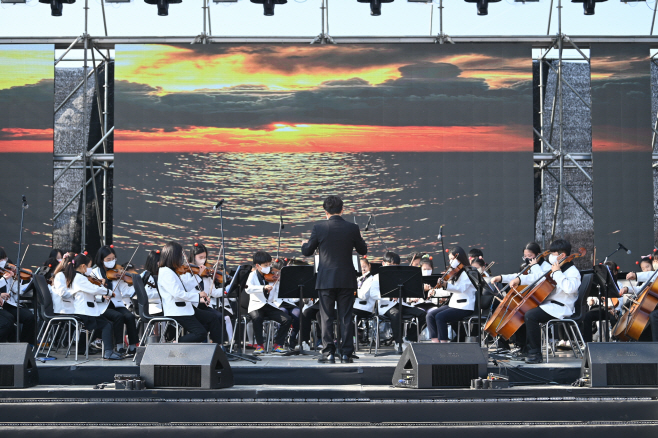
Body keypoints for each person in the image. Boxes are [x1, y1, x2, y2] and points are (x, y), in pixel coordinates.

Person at [301, 195, 368, 364]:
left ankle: (328, 353)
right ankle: (346, 353)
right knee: (346, 317)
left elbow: (307, 251)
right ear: (342, 209)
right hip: (346, 279)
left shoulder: (319, 227)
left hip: (326, 280)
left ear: (325, 211)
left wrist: (304, 244)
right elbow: (362, 249)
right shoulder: (352, 228)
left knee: (326, 317)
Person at [522, 239, 581, 364]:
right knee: (524, 311)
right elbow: (541, 280)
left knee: (531, 316)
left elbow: (569, 288)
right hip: (550, 305)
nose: (550, 256)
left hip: (561, 307)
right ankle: (524, 349)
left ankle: (535, 353)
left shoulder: (572, 271)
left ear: (562, 255)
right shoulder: (557, 268)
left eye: (553, 253)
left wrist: (557, 273)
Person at [158, 241, 223, 343]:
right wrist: (198, 296)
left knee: (213, 317)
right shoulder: (166, 272)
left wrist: (198, 276)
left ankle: (219, 348)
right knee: (200, 333)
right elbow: (177, 294)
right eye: (180, 255)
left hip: (185, 308)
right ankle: (174, 344)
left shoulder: (171, 271)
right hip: (177, 311)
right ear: (173, 256)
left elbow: (185, 288)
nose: (182, 258)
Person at [66, 253, 123, 360]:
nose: (90, 269)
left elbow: (92, 288)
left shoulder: (78, 277)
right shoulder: (79, 278)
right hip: (85, 312)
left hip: (87, 310)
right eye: (89, 266)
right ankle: (108, 352)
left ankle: (107, 351)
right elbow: (94, 289)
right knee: (107, 325)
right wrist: (108, 292)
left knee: (106, 324)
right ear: (83, 266)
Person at [373, 251, 426, 351]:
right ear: (383, 263)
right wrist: (389, 297)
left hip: (401, 304)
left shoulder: (400, 277)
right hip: (386, 306)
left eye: (395, 266)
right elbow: (373, 293)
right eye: (389, 265)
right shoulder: (377, 277)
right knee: (396, 314)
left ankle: (409, 338)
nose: (392, 268)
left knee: (423, 314)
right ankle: (398, 342)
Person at [182, 242, 233, 344]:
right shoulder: (186, 272)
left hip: (204, 306)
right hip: (192, 305)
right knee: (208, 322)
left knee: (219, 316)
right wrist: (198, 275)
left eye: (205, 257)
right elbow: (185, 290)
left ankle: (219, 345)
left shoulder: (207, 273)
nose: (203, 260)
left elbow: (213, 292)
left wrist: (226, 290)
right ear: (193, 256)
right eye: (200, 257)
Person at [93, 246, 139, 357]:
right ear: (101, 260)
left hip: (117, 304)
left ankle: (133, 347)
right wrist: (102, 297)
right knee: (118, 316)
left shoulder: (117, 272)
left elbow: (125, 291)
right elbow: (91, 293)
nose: (112, 261)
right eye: (108, 259)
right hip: (102, 306)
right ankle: (119, 347)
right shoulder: (95, 273)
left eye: (113, 258)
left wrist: (136, 285)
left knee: (130, 316)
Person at [425, 247, 476, 343]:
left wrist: (445, 284)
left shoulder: (468, 272)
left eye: (453, 259)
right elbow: (449, 291)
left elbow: (460, 289)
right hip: (454, 305)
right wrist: (435, 292)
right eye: (450, 260)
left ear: (460, 258)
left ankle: (444, 344)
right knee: (430, 315)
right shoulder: (455, 273)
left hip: (464, 307)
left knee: (440, 317)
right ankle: (435, 342)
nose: (451, 262)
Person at [245, 251, 292, 354]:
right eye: (266, 265)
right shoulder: (252, 275)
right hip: (256, 305)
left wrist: (279, 282)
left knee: (287, 319)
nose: (269, 267)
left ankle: (278, 344)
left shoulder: (272, 275)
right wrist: (263, 287)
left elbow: (278, 292)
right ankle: (260, 345)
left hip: (269, 305)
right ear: (258, 266)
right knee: (257, 318)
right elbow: (248, 289)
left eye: (269, 264)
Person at [582, 261, 624, 343]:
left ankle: (616, 340)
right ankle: (587, 342)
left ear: (615, 272)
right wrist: (591, 301)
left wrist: (615, 309)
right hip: (602, 309)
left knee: (613, 318)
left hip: (613, 310)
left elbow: (620, 301)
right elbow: (591, 298)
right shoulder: (599, 284)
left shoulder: (619, 284)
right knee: (587, 316)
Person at [0, 247, 35, 344]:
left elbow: (17, 290)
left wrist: (18, 279)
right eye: (1, 259)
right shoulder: (4, 276)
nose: (4, 261)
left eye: (4, 259)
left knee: (29, 317)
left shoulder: (8, 272)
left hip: (9, 304)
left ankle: (27, 345)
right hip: (1, 306)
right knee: (8, 320)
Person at [626, 255, 658, 341]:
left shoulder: (654, 274)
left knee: (653, 315)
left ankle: (656, 346)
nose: (656, 263)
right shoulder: (652, 277)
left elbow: (654, 274)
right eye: (655, 261)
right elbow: (640, 288)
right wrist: (627, 289)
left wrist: (636, 275)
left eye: (657, 261)